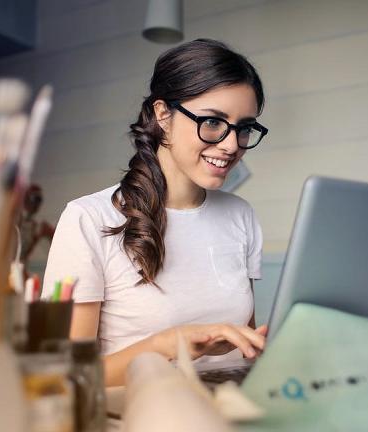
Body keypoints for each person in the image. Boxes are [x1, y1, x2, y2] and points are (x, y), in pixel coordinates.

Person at [43, 39, 269, 386]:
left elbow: (245, 344)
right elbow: (68, 376)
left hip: (228, 408)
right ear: (163, 115)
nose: (231, 145)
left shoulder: (240, 215)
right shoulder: (88, 219)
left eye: (244, 128)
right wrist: (165, 345)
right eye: (212, 122)